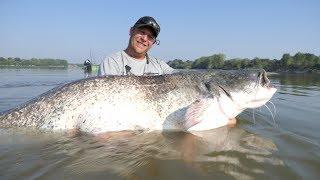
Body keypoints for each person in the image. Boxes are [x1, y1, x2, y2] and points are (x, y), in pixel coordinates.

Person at [98, 16, 175, 76]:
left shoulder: (159, 65)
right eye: (142, 32)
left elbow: (179, 75)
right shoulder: (112, 61)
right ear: (131, 31)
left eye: (150, 37)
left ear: (153, 43)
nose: (144, 38)